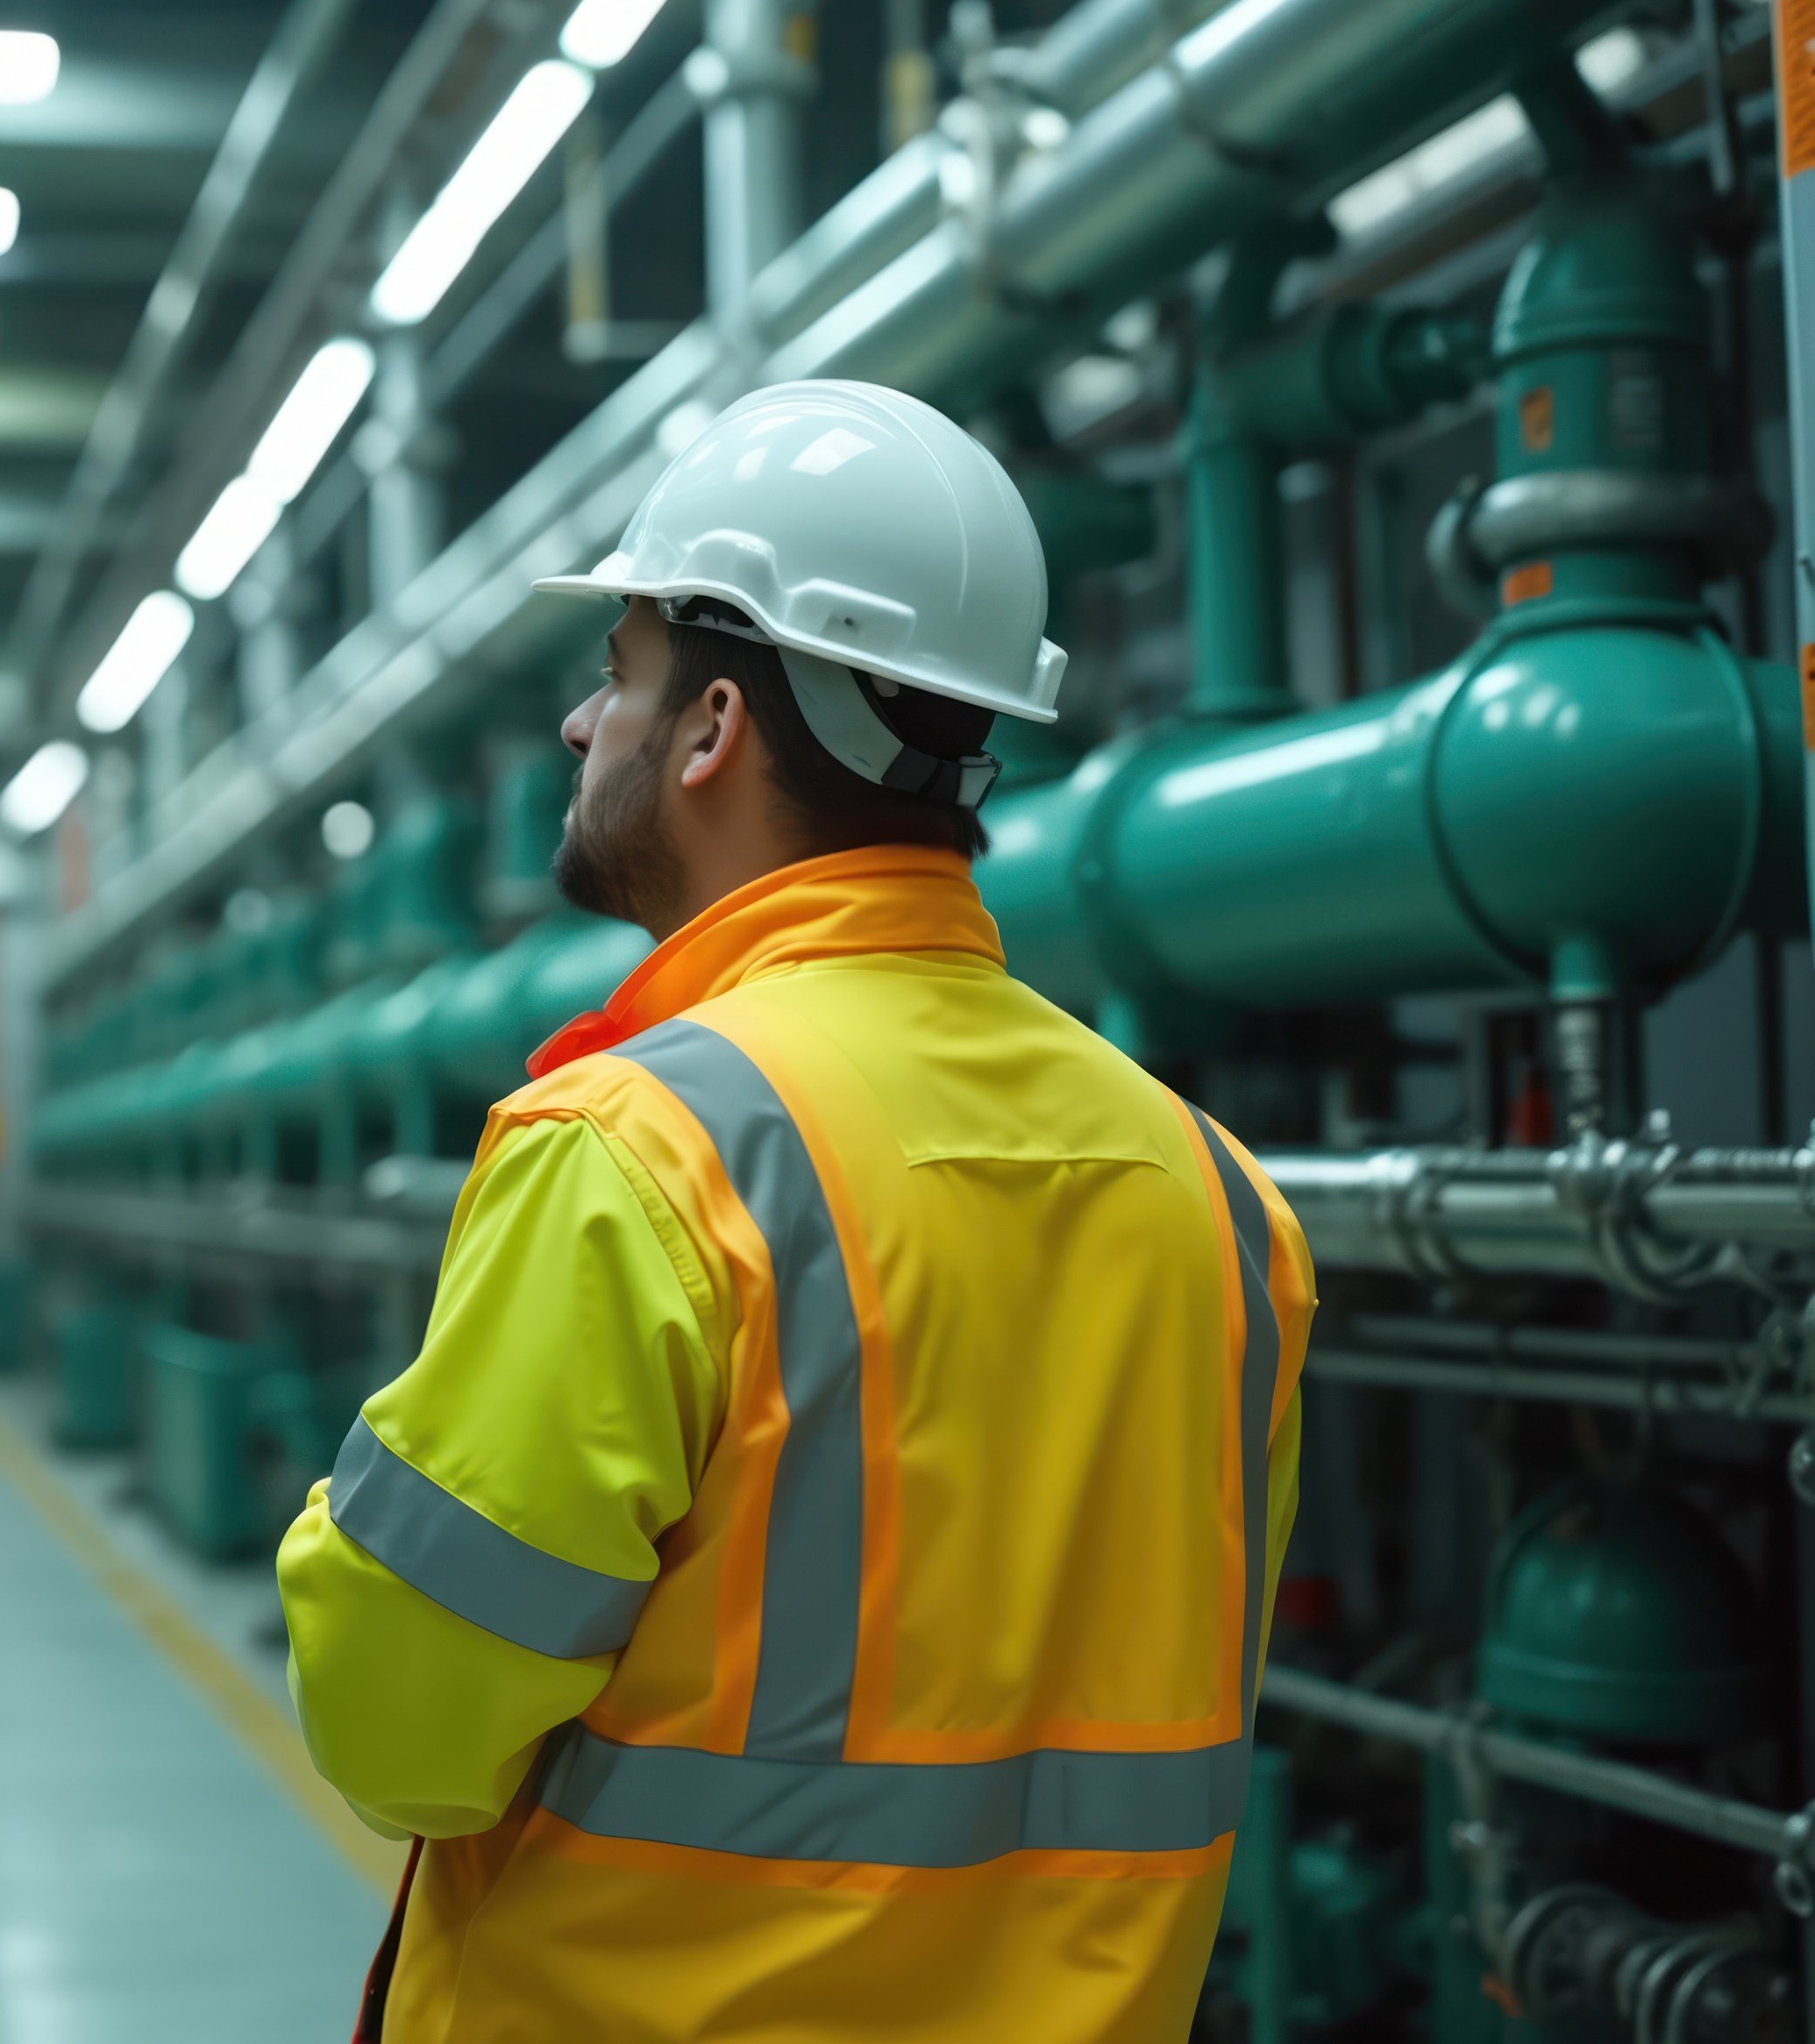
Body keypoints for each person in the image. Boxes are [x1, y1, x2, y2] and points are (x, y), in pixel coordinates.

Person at [277, 380, 1313, 2043]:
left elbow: (401, 1730)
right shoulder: (1216, 1189)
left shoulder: (641, 1148)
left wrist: (350, 1525)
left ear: (709, 732)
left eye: (613, 674)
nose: (576, 726)